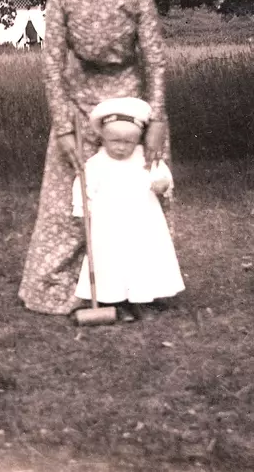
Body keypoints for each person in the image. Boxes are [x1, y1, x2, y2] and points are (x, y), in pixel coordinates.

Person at [18, 0, 170, 315]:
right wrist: (64, 126)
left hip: (133, 105)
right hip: (80, 102)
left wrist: (155, 118)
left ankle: (138, 288)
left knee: (136, 196)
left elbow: (155, 58)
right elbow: (52, 68)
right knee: (74, 198)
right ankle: (76, 289)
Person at [72, 97, 184, 321]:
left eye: (128, 142)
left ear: (138, 140)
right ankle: (113, 301)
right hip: (109, 225)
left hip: (143, 220)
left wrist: (162, 183)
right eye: (115, 141)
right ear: (102, 137)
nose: (121, 147)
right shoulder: (96, 164)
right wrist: (82, 211)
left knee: (143, 258)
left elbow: (162, 176)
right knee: (111, 261)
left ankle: (145, 298)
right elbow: (82, 188)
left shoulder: (145, 158)